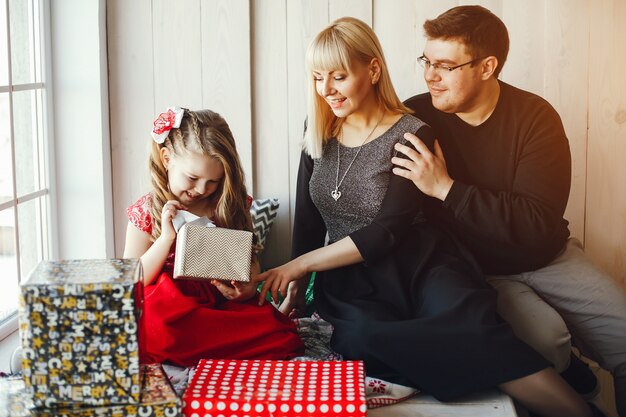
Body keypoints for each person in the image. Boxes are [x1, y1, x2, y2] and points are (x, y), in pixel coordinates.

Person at [255, 16, 592, 417]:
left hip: (423, 264)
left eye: (338, 76)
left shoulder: (414, 131)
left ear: (373, 69)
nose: (326, 89)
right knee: (362, 337)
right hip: (351, 275)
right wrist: (299, 286)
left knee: (473, 330)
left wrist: (298, 265)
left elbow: (388, 231)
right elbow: (309, 222)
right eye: (316, 77)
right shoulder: (318, 130)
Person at [394, 5, 626, 416]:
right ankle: (570, 369)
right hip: (478, 268)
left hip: (549, 256)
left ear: (487, 66)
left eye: (445, 66)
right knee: (547, 341)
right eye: (426, 61)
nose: (429, 75)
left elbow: (537, 224)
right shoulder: (415, 118)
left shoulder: (536, 118)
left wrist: (446, 189)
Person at [123, 107, 304, 367]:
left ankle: (214, 348)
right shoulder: (147, 211)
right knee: (150, 325)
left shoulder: (228, 204)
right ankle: (197, 348)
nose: (201, 190)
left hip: (219, 303)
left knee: (279, 334)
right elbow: (132, 280)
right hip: (171, 307)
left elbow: (249, 264)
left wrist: (245, 290)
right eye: (193, 178)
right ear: (166, 158)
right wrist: (165, 239)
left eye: (213, 182)